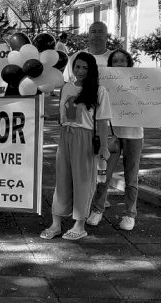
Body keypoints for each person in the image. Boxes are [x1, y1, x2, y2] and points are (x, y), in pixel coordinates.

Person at [86, 49, 161, 231]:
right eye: (115, 61)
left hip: (135, 136)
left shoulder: (140, 81)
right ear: (111, 64)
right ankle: (97, 210)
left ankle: (129, 214)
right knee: (103, 175)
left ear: (129, 63)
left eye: (122, 60)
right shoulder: (105, 83)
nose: (119, 64)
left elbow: (155, 95)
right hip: (112, 135)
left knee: (131, 177)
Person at [41, 52, 111, 241]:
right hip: (65, 136)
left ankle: (79, 225)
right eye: (77, 67)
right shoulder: (66, 88)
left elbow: (103, 121)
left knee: (83, 181)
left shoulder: (99, 91)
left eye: (85, 68)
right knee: (62, 179)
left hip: (85, 138)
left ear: (91, 70)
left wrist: (104, 146)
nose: (80, 71)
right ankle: (55, 224)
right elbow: (65, 114)